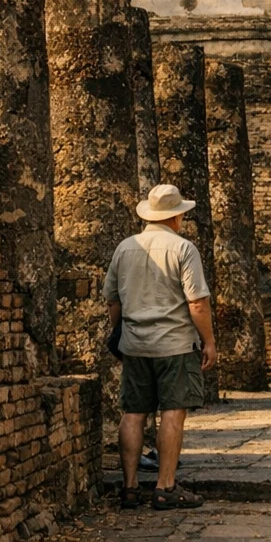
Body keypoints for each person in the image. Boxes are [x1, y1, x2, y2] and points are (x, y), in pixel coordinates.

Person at [105, 183, 218, 509]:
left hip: (135, 344)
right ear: (175, 217)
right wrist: (208, 341)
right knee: (173, 411)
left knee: (133, 413)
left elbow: (113, 301)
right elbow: (197, 302)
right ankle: (165, 486)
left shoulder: (124, 248)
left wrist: (121, 336)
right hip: (174, 345)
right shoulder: (183, 249)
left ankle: (129, 488)